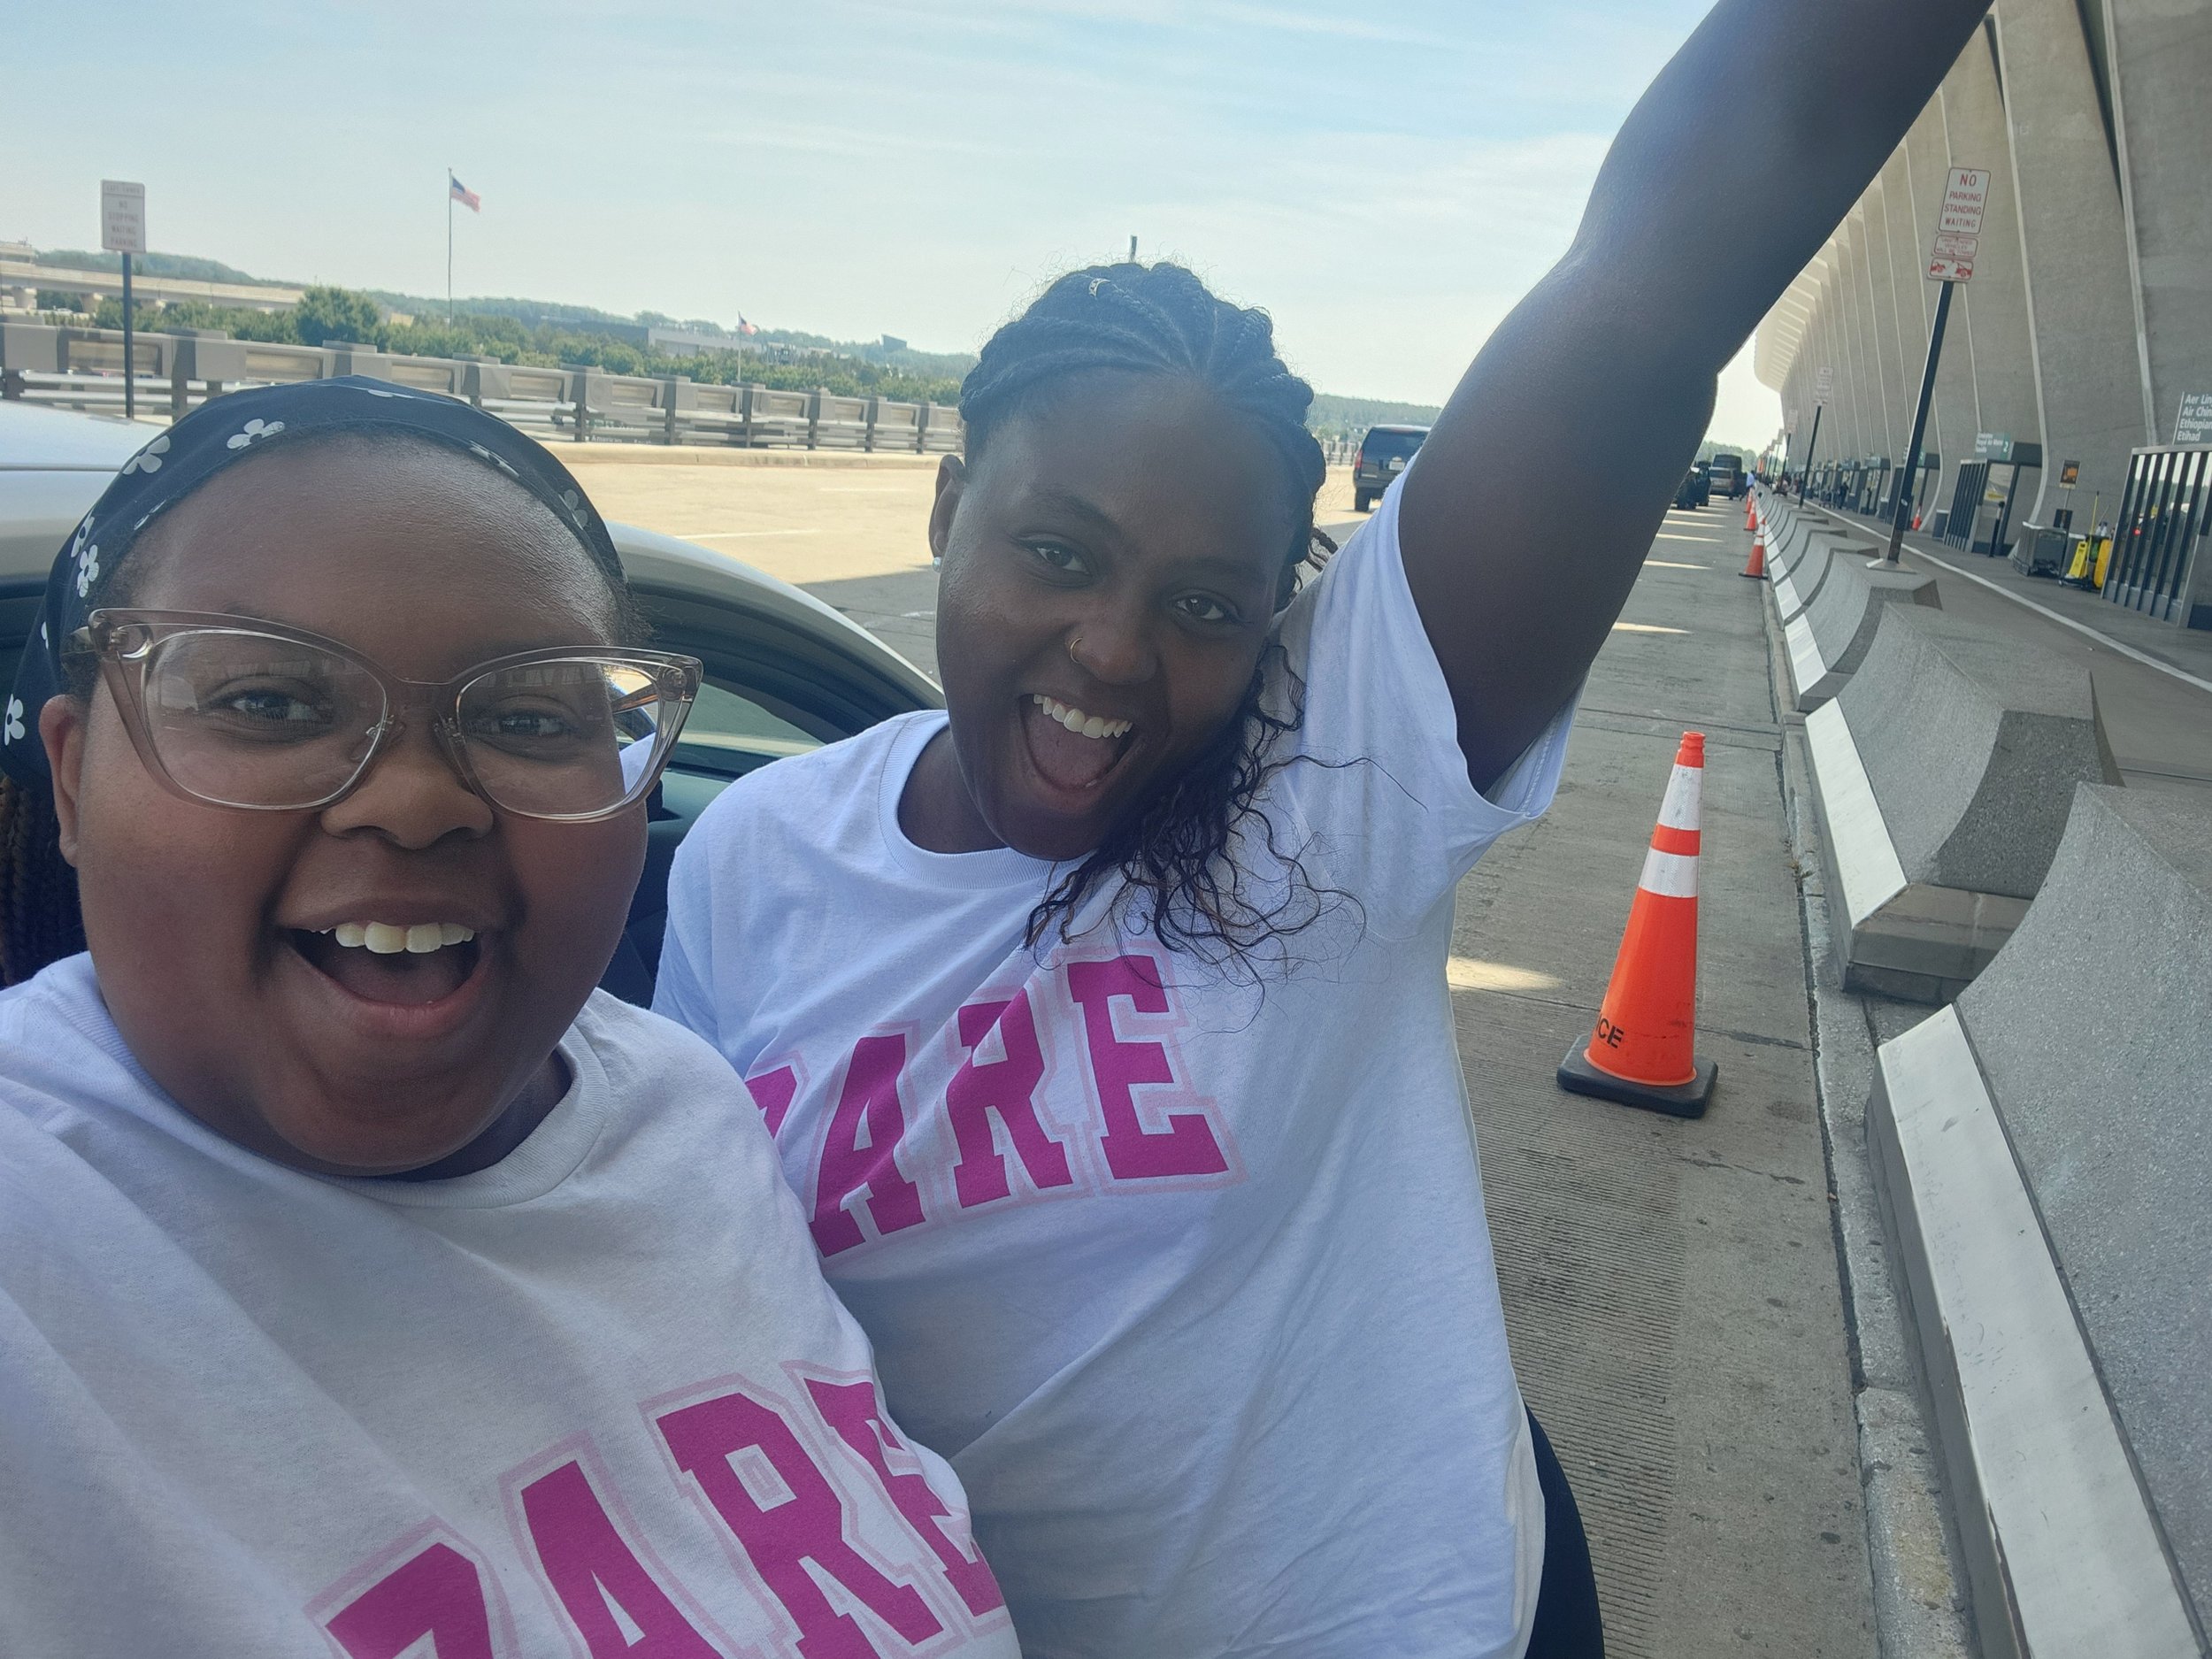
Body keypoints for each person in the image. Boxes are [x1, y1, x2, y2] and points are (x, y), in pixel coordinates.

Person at [656, 4, 1993, 1653]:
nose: (1115, 651)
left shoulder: (1313, 787)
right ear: (947, 512)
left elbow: (1662, 273)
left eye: (1203, 601)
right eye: (1057, 553)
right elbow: (704, 1299)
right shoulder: (752, 856)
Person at [0, 380, 1018, 1659]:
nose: (419, 803)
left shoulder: (674, 1105)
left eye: (530, 715)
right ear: (73, 776)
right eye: (270, 701)